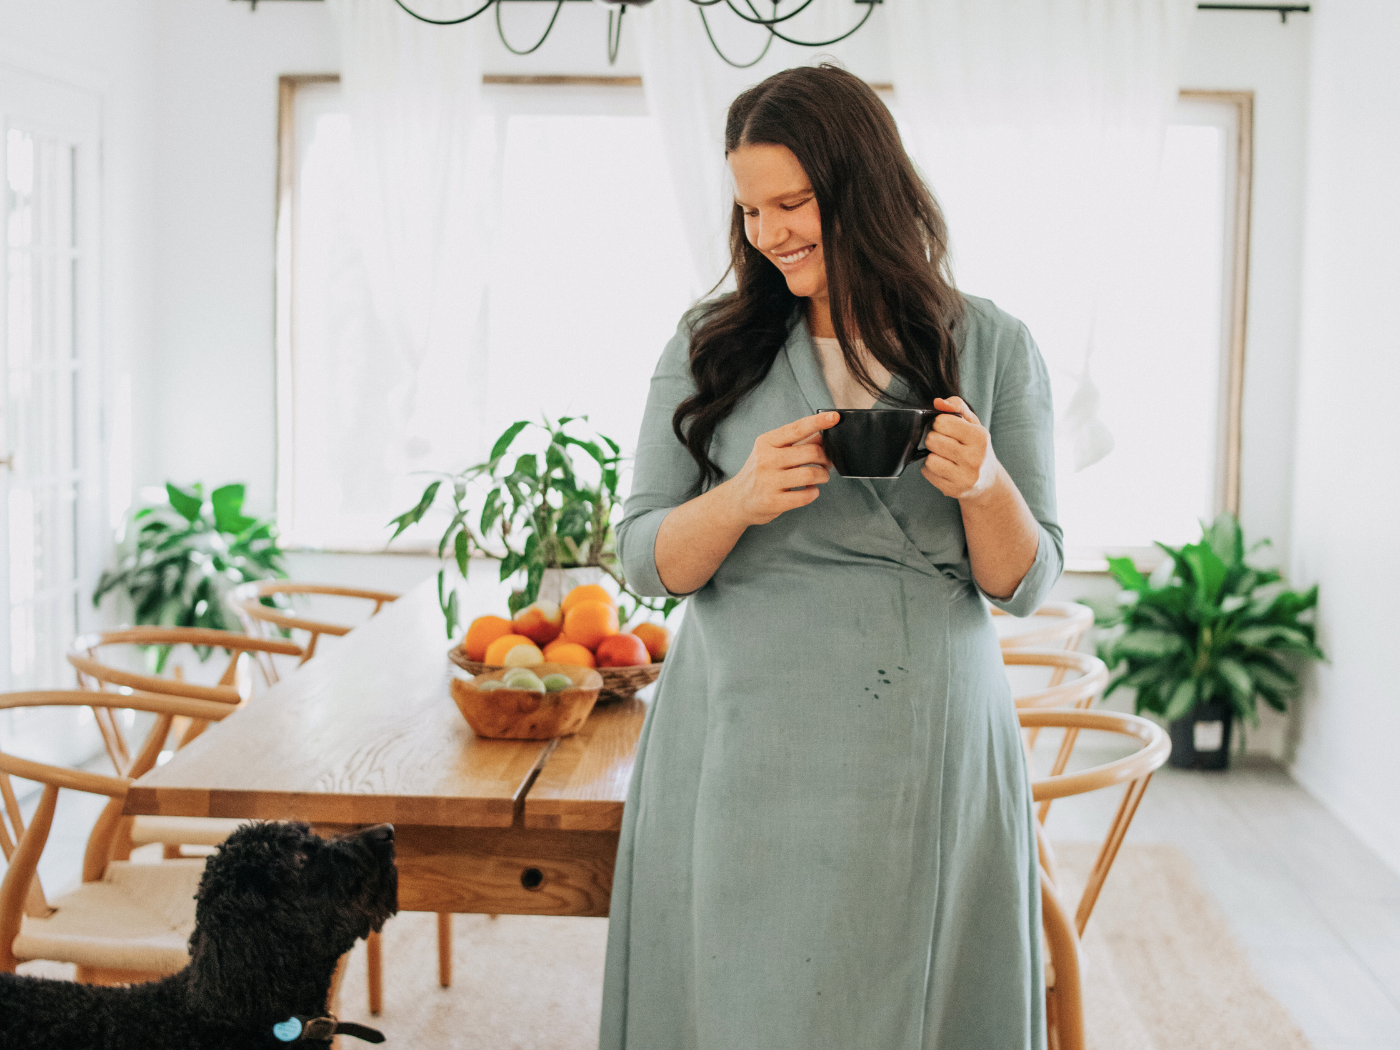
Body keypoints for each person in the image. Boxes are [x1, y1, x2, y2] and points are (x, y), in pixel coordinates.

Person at [601, 64, 1060, 1050]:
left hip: (925, 736)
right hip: (742, 735)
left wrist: (985, 485)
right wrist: (739, 499)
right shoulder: (707, 346)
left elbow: (1024, 582)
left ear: (861, 185)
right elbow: (643, 559)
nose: (767, 233)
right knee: (742, 996)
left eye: (791, 202)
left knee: (916, 998)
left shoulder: (992, 344)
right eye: (750, 209)